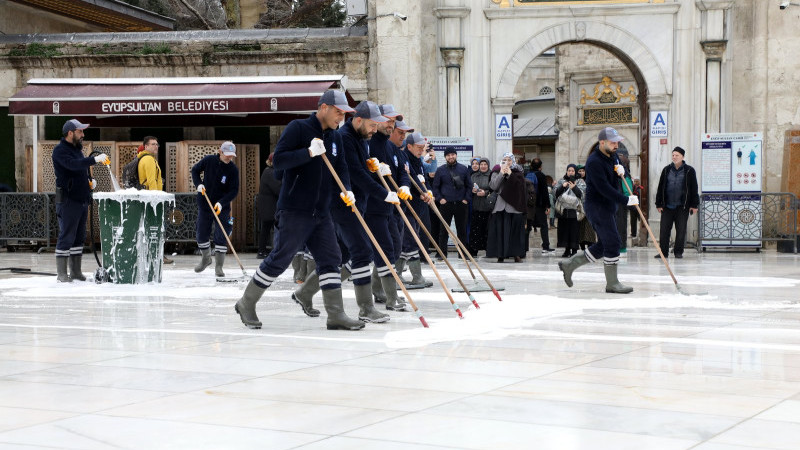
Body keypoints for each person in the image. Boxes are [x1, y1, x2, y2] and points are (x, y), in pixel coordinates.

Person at [235, 89, 361, 331]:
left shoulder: (336, 138)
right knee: (280, 259)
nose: (341, 118)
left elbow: (341, 167)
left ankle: (336, 314)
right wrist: (309, 152)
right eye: (338, 112)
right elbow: (279, 161)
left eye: (344, 114)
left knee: (331, 259)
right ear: (324, 107)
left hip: (321, 213)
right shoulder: (298, 128)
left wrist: (346, 189)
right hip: (295, 209)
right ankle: (246, 302)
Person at [292, 100, 393, 322]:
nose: (374, 130)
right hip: (343, 205)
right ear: (358, 120)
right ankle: (366, 308)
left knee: (341, 256)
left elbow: (359, 166)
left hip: (357, 204)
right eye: (372, 125)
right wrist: (383, 194)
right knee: (362, 251)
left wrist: (371, 164)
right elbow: (353, 173)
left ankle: (305, 292)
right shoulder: (345, 137)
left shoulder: (360, 136)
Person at [558, 127, 640, 294]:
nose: (616, 145)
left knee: (604, 245)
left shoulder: (613, 155)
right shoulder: (594, 161)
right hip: (597, 207)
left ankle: (570, 264)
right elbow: (603, 188)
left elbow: (616, 173)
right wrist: (626, 200)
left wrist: (622, 171)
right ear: (602, 142)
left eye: (617, 142)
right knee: (614, 242)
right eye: (612, 142)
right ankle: (612, 283)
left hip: (608, 206)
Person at [364, 104, 412, 310]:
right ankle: (390, 296)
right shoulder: (367, 144)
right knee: (383, 251)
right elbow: (361, 174)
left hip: (389, 208)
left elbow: (402, 171)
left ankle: (380, 290)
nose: (391, 126)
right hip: (371, 207)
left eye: (393, 122)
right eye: (388, 121)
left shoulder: (391, 148)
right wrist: (378, 179)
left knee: (393, 248)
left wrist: (404, 185)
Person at [52, 119, 108, 283]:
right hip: (68, 199)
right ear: (70, 133)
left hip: (81, 198)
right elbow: (73, 165)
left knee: (79, 236)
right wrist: (94, 160)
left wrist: (89, 181)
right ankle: (62, 274)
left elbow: (79, 170)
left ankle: (75, 272)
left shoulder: (77, 150)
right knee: (67, 235)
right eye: (80, 132)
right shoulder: (60, 151)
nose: (83, 135)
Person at [191, 141, 240, 278]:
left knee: (221, 234)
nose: (229, 158)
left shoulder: (233, 170)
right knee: (201, 232)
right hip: (205, 203)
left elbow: (234, 190)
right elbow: (195, 170)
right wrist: (199, 184)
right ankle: (206, 258)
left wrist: (222, 203)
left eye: (232, 155)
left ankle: (219, 267)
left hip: (221, 207)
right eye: (227, 155)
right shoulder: (209, 161)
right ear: (220, 151)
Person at [397, 131, 436, 287]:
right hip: (408, 207)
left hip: (418, 207)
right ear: (409, 146)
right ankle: (415, 276)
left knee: (410, 241)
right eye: (418, 147)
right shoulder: (405, 158)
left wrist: (427, 190)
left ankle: (399, 273)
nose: (421, 150)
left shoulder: (417, 159)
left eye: (422, 147)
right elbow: (408, 180)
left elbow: (421, 177)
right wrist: (419, 192)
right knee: (411, 241)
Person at [654, 146, 699, 259]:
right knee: (664, 231)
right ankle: (663, 252)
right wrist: (658, 204)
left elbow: (694, 188)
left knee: (681, 230)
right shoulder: (666, 170)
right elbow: (660, 187)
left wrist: (694, 205)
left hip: (682, 206)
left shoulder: (689, 170)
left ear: (682, 157)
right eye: (673, 155)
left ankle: (678, 252)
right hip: (667, 206)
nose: (674, 157)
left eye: (677, 155)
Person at [137, 136, 173, 265]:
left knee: (150, 228)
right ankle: (157, 255)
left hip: (147, 198)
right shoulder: (148, 160)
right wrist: (156, 199)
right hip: (152, 200)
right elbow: (152, 181)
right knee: (155, 228)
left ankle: (154, 254)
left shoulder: (145, 158)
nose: (156, 146)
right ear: (146, 146)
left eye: (157, 144)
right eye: (153, 144)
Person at [486, 153, 527, 263]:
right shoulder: (496, 172)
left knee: (515, 233)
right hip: (500, 206)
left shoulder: (518, 173)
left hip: (514, 206)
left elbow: (519, 187)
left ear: (513, 161)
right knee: (500, 232)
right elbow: (493, 186)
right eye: (505, 160)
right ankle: (500, 254)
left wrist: (510, 174)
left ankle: (516, 255)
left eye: (509, 160)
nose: (507, 162)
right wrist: (501, 173)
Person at [431, 147, 471, 259]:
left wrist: (466, 199)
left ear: (456, 155)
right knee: (443, 230)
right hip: (446, 204)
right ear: (445, 157)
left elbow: (469, 186)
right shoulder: (440, 170)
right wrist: (440, 199)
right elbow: (435, 187)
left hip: (461, 204)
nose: (451, 157)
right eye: (448, 155)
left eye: (452, 154)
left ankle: (463, 254)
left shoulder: (464, 169)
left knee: (462, 230)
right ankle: (442, 254)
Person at [555, 164, 585, 257]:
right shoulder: (562, 181)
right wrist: (562, 187)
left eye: (572, 171)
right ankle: (567, 250)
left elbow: (582, 195)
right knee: (564, 231)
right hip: (563, 211)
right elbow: (555, 193)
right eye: (569, 170)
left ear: (575, 172)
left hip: (574, 211)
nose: (570, 172)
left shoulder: (580, 181)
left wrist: (574, 188)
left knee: (574, 231)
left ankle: (574, 250)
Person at [257, 153, 280, 258]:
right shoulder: (270, 172)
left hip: (268, 205)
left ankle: (263, 250)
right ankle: (263, 251)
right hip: (269, 206)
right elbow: (277, 189)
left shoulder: (269, 171)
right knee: (269, 228)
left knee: (266, 229)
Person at [529, 158, 554, 255]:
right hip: (539, 205)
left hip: (529, 205)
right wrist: (547, 206)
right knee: (544, 226)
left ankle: (524, 248)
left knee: (527, 226)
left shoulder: (527, 175)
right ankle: (545, 247)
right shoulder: (542, 176)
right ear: (540, 167)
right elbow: (544, 192)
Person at [469, 157, 492, 255]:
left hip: (487, 207)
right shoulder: (474, 176)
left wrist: (485, 192)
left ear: (488, 165)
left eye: (485, 164)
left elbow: (494, 189)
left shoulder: (492, 175)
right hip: (476, 206)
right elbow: (469, 187)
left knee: (487, 229)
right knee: (475, 230)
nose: (483, 166)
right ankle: (474, 250)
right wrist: (472, 190)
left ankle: (489, 250)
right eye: (481, 164)